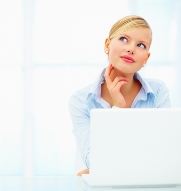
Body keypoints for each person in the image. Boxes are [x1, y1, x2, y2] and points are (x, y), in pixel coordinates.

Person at [68, 15, 171, 176]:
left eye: (141, 45)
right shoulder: (80, 101)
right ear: (107, 44)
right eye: (124, 39)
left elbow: (165, 157)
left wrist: (103, 167)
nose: (131, 49)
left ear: (146, 58)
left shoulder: (158, 92)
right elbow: (95, 163)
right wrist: (118, 109)